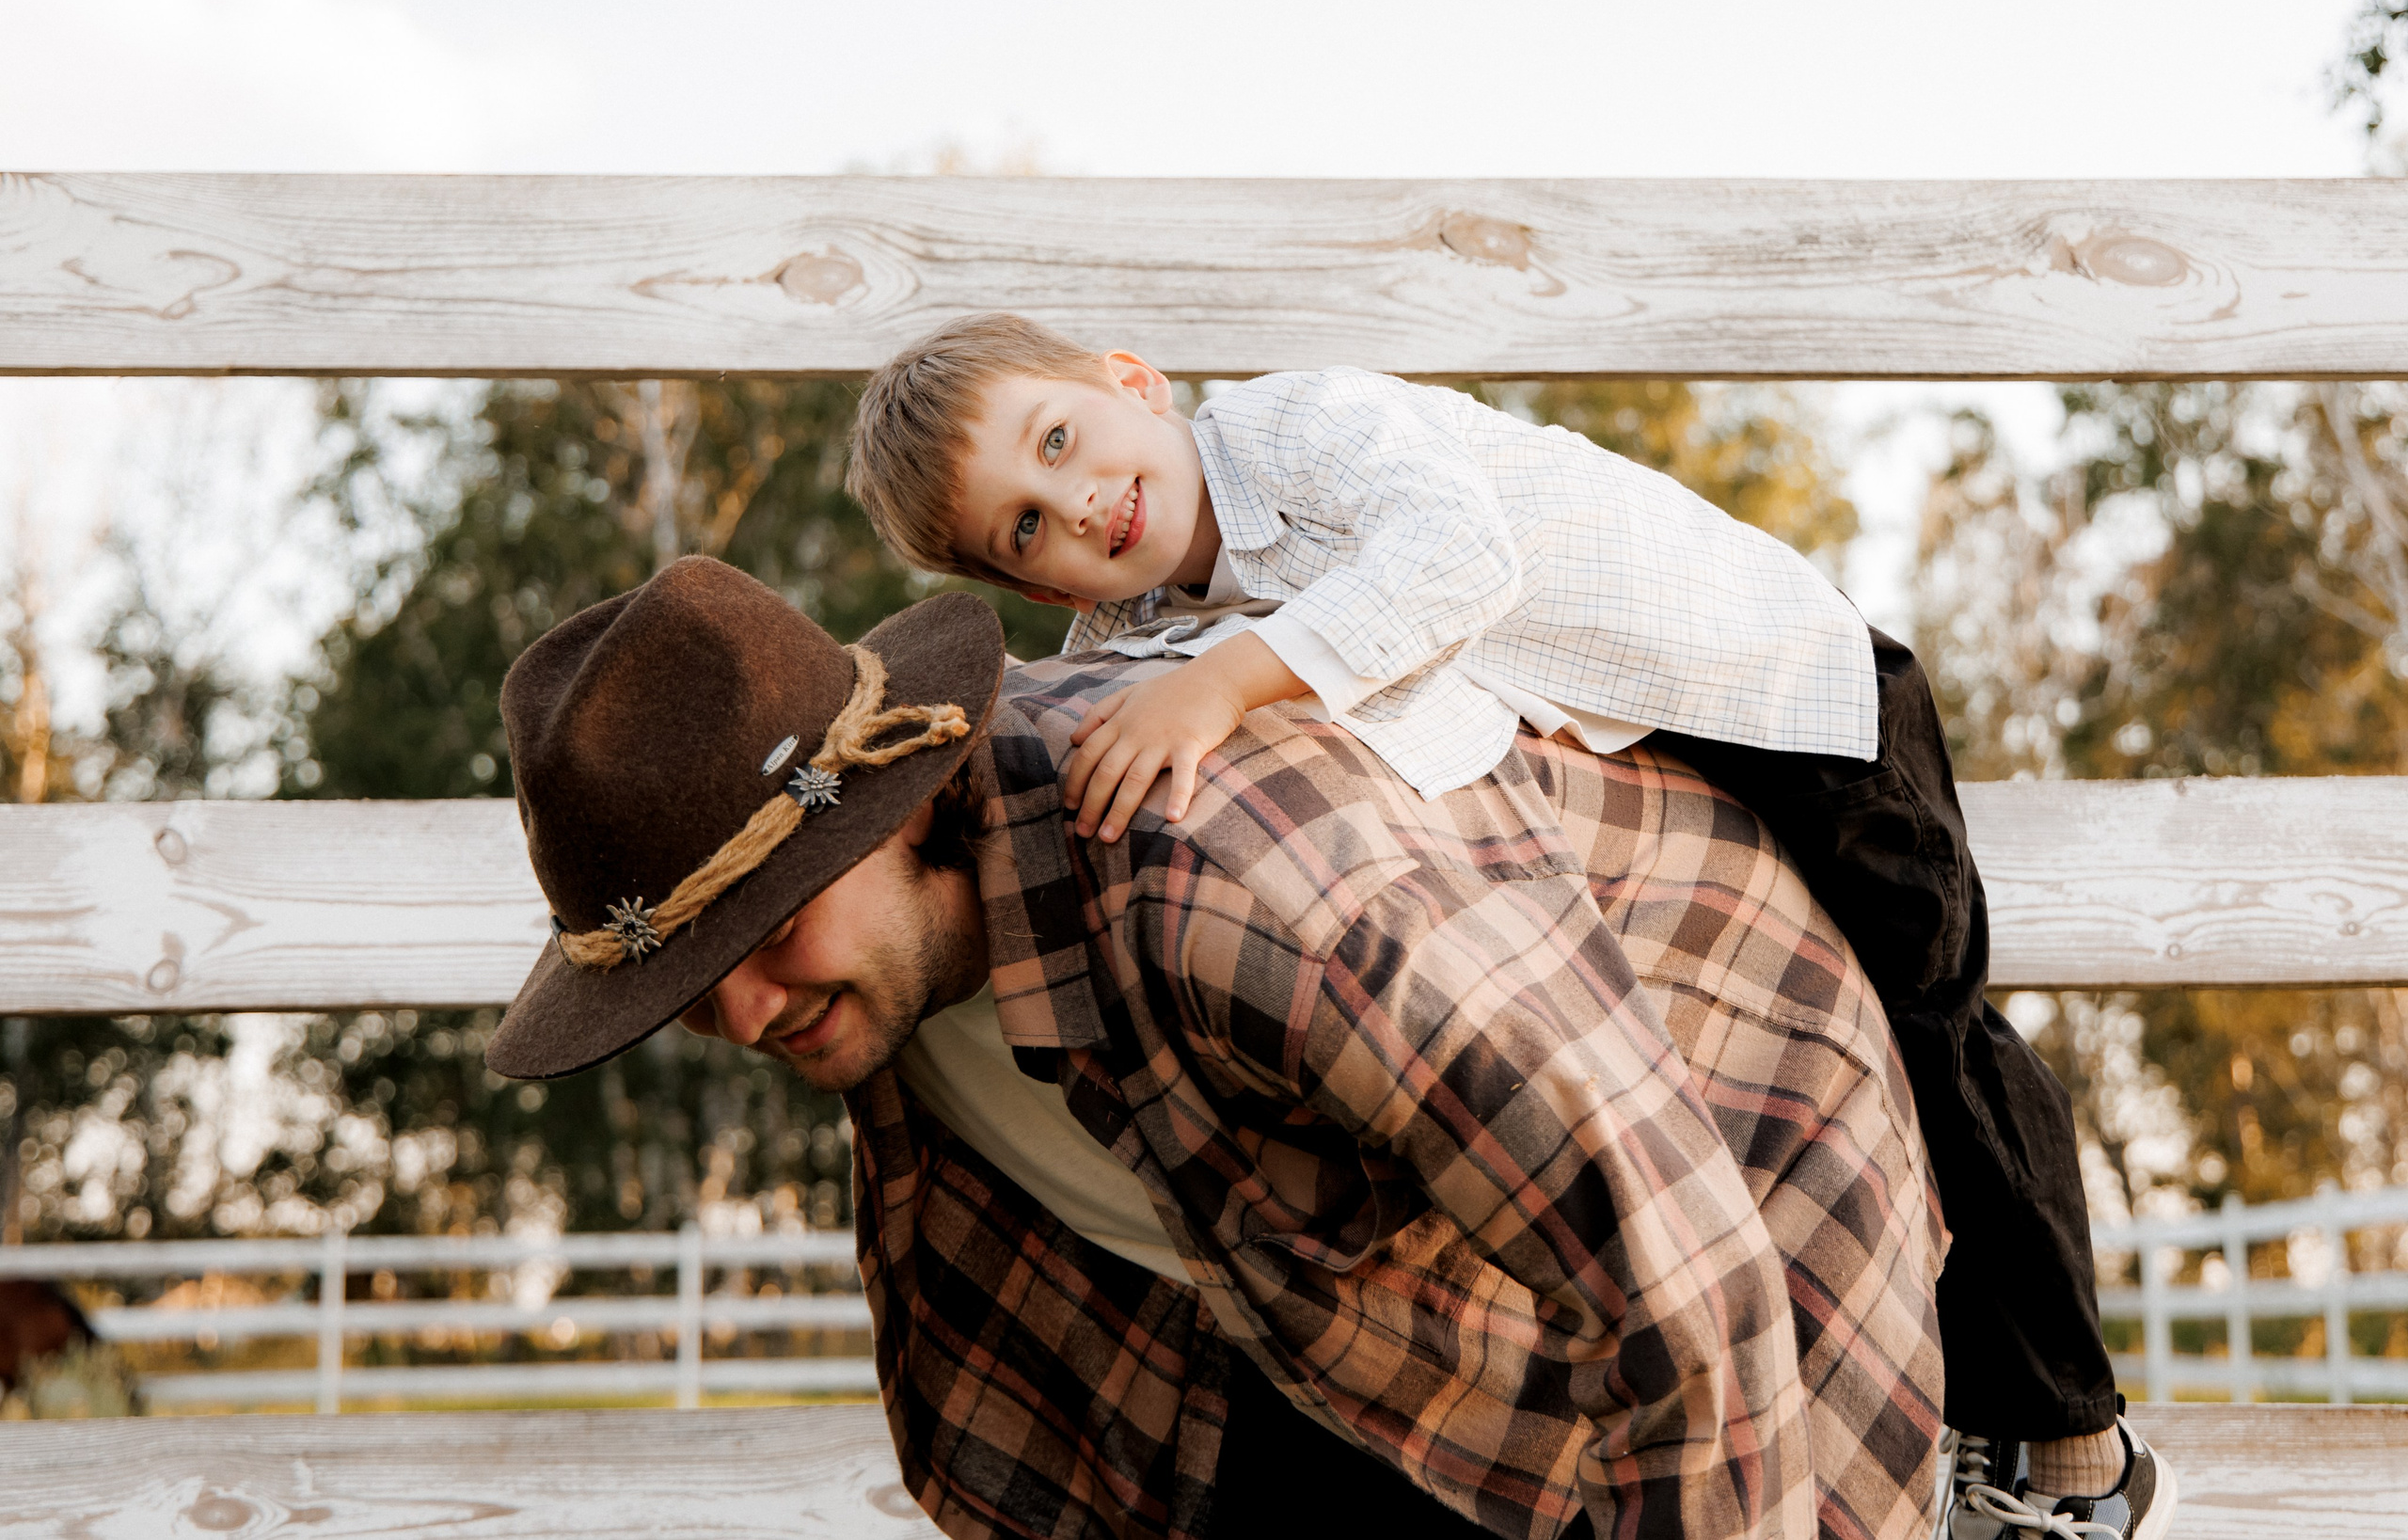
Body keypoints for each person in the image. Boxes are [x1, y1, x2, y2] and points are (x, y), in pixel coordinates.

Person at [842, 314, 2174, 1540]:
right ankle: (1930, 1442)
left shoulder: (1300, 426)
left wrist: (1227, 686)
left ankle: (2071, 1449)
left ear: (1130, 380)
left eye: (1061, 441)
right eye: (1024, 529)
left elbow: (1457, 558)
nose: (1075, 504)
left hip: (1783, 694)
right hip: (1639, 766)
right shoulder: (1130, 635)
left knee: (1938, 1040)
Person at [487, 557, 1946, 1540]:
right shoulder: (888, 978)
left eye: (766, 937)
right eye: (686, 979)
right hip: (1342, 1289)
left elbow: (1683, 1292)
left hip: (1739, 1161)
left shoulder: (1243, 882)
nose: (743, 1018)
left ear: (904, 804)